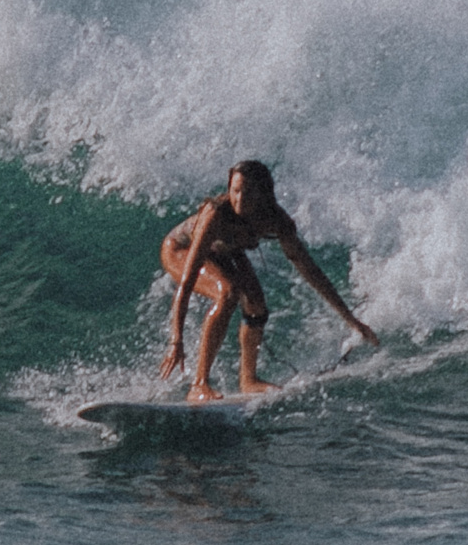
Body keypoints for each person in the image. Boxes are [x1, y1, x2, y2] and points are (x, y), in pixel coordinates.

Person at [159, 159, 378, 401]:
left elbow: (310, 271)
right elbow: (188, 280)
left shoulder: (275, 219)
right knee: (228, 291)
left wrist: (351, 320)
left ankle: (248, 379)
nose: (240, 199)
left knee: (256, 305)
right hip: (180, 249)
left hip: (225, 249)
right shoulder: (216, 214)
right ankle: (199, 384)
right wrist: (176, 340)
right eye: (235, 191)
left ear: (264, 194)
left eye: (249, 192)